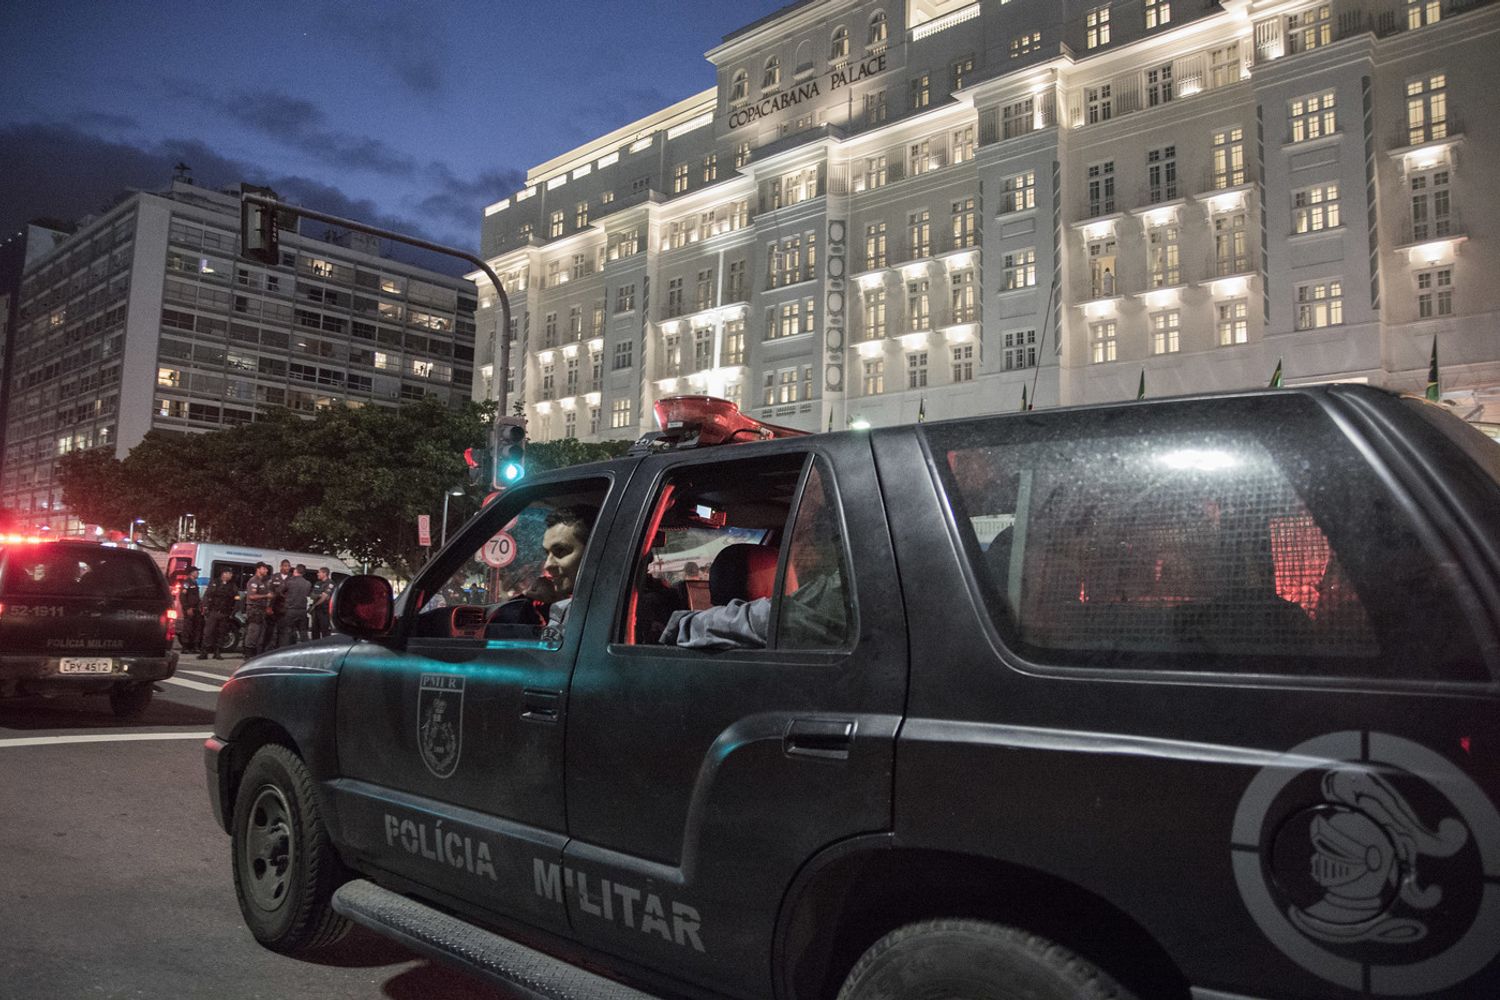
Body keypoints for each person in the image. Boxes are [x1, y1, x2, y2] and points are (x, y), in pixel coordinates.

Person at [199, 568, 239, 660]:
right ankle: (204, 652)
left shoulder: (232, 586)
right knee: (208, 632)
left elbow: (236, 599)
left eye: (231, 574)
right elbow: (207, 595)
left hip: (225, 613)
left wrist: (233, 612)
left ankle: (217, 652)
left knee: (221, 633)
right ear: (224, 574)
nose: (231, 575)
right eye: (229, 573)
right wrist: (205, 608)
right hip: (213, 612)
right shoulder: (215, 583)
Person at [276, 564, 312, 648]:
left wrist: (286, 597)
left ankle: (285, 650)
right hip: (302, 610)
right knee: (303, 632)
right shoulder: (308, 583)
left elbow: (280, 592)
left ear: (295, 571)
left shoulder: (289, 582)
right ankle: (306, 649)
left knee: (287, 632)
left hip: (290, 610)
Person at [243, 562, 274, 656]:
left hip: (262, 610)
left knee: (260, 634)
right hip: (254, 609)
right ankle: (248, 654)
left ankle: (256, 653)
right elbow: (252, 596)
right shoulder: (253, 581)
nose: (266, 570)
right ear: (258, 569)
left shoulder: (264, 582)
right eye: (264, 568)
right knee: (253, 632)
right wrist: (266, 595)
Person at [264, 559, 292, 651]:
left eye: (288, 566)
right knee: (271, 630)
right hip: (274, 608)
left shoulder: (291, 578)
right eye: (285, 566)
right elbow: (269, 591)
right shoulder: (274, 577)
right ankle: (268, 649)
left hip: (285, 609)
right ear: (281, 566)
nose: (287, 568)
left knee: (283, 631)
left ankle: (280, 649)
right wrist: (268, 607)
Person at [176, 565, 203, 652]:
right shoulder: (187, 583)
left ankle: (194, 646)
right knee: (188, 627)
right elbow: (182, 597)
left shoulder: (194, 582)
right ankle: (185, 647)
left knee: (196, 627)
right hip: (190, 609)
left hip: (196, 609)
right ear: (192, 573)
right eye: (196, 572)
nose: (198, 573)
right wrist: (187, 608)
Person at [309, 567, 333, 639]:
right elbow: (311, 595)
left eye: (319, 572)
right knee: (314, 632)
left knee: (325, 632)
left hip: (324, 611)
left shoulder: (330, 583)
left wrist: (314, 605)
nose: (317, 574)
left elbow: (324, 597)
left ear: (324, 573)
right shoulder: (317, 583)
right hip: (316, 612)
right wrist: (319, 595)